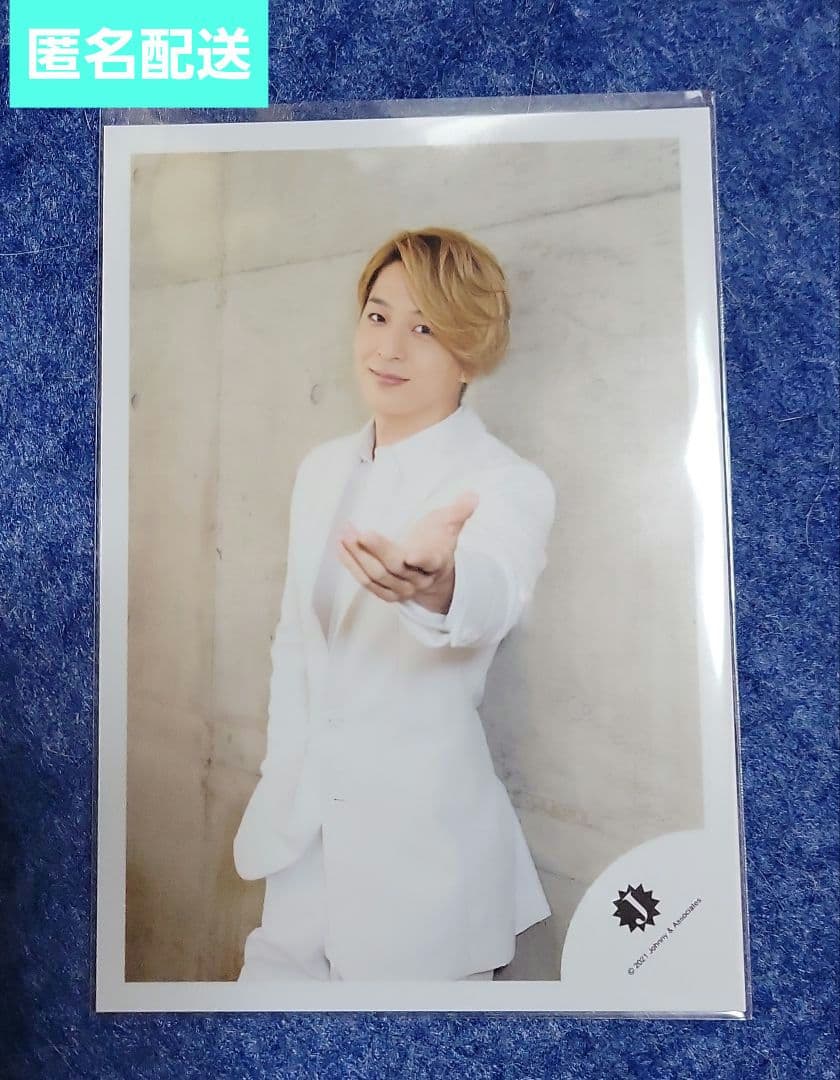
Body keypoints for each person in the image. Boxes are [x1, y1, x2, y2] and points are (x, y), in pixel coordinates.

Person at [233, 226, 556, 982]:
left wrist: (438, 586)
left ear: (470, 354)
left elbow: (495, 590)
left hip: (423, 870)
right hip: (302, 842)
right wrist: (285, 771)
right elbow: (295, 641)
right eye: (378, 317)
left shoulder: (506, 482)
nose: (389, 349)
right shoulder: (320, 470)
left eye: (425, 329)